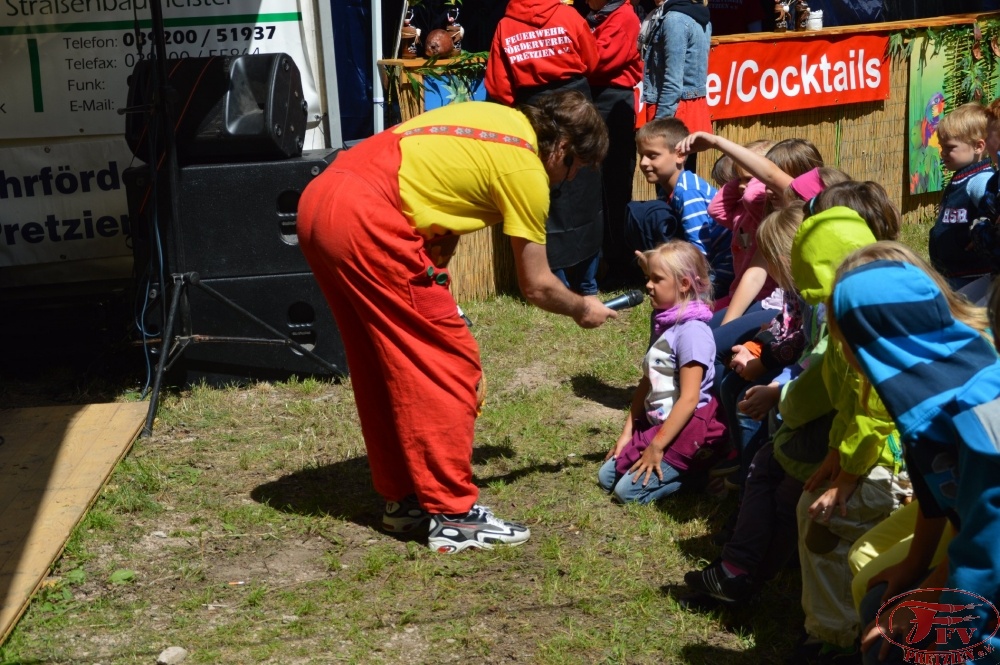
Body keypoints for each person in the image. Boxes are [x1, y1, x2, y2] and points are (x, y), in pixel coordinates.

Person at [296, 91, 616, 553]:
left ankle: (405, 500)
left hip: (322, 199)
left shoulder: (497, 121)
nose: (569, 181)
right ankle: (453, 515)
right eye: (575, 170)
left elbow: (439, 199)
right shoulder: (526, 169)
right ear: (563, 149)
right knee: (447, 362)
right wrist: (583, 308)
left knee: (381, 358)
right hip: (370, 214)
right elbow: (537, 285)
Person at [684, 205, 879, 606]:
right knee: (777, 487)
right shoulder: (841, 295)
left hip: (825, 429)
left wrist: (782, 399)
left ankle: (740, 575)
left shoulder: (831, 307)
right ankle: (744, 573)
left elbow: (823, 372)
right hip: (832, 428)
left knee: (775, 482)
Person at [827, 242, 1000, 665]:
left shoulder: (977, 409)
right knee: (878, 603)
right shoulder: (920, 397)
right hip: (973, 563)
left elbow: (988, 545)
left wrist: (947, 628)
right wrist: (915, 569)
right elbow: (946, 501)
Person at [486, 0, 605, 295]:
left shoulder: (505, 26)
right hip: (577, 103)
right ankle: (588, 282)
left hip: (534, 111)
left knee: (544, 191)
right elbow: (592, 61)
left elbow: (499, 86)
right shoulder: (569, 15)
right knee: (585, 187)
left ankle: (557, 283)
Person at [598, 240, 729, 503]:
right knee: (606, 477)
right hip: (658, 423)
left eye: (657, 279)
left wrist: (656, 447)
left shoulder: (692, 332)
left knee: (627, 494)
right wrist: (627, 435)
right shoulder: (665, 323)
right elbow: (646, 383)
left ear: (683, 284)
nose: (648, 285)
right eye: (648, 277)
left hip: (687, 428)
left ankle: (694, 476)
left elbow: (690, 398)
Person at [626, 118, 734, 296]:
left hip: (721, 271)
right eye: (641, 155)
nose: (644, 163)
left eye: (652, 156)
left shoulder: (687, 192)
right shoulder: (668, 191)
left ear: (680, 155)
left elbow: (699, 250)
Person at [584, 0, 644, 288]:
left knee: (615, 184)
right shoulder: (595, 16)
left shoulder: (624, 17)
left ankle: (620, 264)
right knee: (592, 185)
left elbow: (598, 60)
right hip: (594, 97)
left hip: (613, 100)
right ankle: (600, 261)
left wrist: (574, 53)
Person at [928, 102, 995, 291]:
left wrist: (987, 231)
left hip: (972, 275)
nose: (943, 153)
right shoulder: (962, 178)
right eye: (942, 147)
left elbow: (996, 206)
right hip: (954, 273)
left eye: (950, 148)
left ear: (978, 146)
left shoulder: (980, 180)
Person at [638, 0, 711, 171]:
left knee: (669, 181)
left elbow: (673, 81)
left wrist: (660, 125)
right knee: (683, 176)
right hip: (684, 106)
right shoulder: (698, 15)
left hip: (674, 110)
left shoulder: (674, 19)